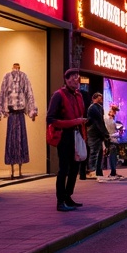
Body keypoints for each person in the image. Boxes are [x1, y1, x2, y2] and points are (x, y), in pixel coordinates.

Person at [47, 68, 87, 211]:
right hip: (64, 136)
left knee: (75, 167)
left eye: (78, 78)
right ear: (67, 79)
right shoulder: (58, 95)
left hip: (76, 135)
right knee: (64, 168)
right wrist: (74, 122)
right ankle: (60, 201)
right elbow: (50, 119)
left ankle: (68, 196)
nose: (77, 81)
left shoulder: (78, 95)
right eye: (74, 78)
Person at [85, 92, 112, 182]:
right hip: (94, 132)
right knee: (94, 152)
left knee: (99, 152)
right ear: (94, 98)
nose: (101, 99)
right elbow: (98, 121)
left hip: (98, 132)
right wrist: (105, 133)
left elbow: (100, 121)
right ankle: (91, 171)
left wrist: (104, 133)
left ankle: (98, 170)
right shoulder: (93, 108)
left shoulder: (99, 108)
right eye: (99, 98)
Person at [104, 102, 122, 179]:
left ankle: (113, 171)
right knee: (112, 156)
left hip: (113, 139)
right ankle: (113, 172)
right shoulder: (107, 120)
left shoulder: (112, 119)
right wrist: (116, 134)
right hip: (111, 139)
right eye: (114, 111)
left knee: (114, 156)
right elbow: (109, 131)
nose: (115, 113)